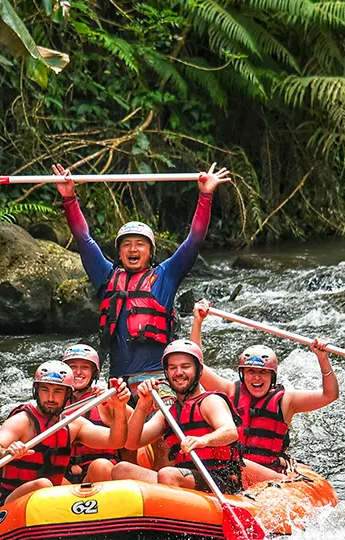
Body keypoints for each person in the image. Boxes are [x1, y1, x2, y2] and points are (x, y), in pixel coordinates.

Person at [51, 161, 232, 391]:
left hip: (158, 382)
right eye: (126, 244)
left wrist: (205, 195)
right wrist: (69, 199)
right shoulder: (106, 277)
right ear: (119, 253)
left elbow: (194, 239)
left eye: (140, 244)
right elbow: (83, 240)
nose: (133, 249)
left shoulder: (165, 276)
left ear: (150, 252)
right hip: (118, 385)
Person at [190, 300, 339, 482]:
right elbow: (196, 365)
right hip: (234, 471)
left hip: (270, 475)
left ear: (272, 376)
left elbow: (329, 395)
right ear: (242, 374)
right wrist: (198, 321)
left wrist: (323, 358)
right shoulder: (230, 391)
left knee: (237, 463)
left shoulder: (286, 400)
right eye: (250, 372)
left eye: (263, 372)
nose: (256, 378)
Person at [0, 360, 130, 509]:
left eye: (58, 391)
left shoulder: (73, 425)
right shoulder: (22, 421)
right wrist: (6, 452)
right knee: (43, 485)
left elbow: (116, 441)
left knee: (95, 469)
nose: (50, 398)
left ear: (68, 394)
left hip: (51, 501)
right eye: (45, 390)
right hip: (9, 502)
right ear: (36, 391)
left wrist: (119, 407)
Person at [112, 340, 243, 494]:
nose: (178, 372)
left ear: (199, 370)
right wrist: (143, 403)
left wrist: (203, 440)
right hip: (184, 480)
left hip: (221, 481)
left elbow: (230, 431)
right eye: (173, 368)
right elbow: (131, 443)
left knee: (167, 474)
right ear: (166, 373)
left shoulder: (210, 401)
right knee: (122, 470)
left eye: (185, 367)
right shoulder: (168, 412)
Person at [61, 343, 131, 484]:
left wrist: (118, 404)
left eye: (85, 367)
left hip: (99, 473)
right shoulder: (55, 402)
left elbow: (138, 428)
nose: (78, 372)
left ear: (94, 373)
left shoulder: (104, 399)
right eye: (73, 367)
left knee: (100, 466)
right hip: (65, 475)